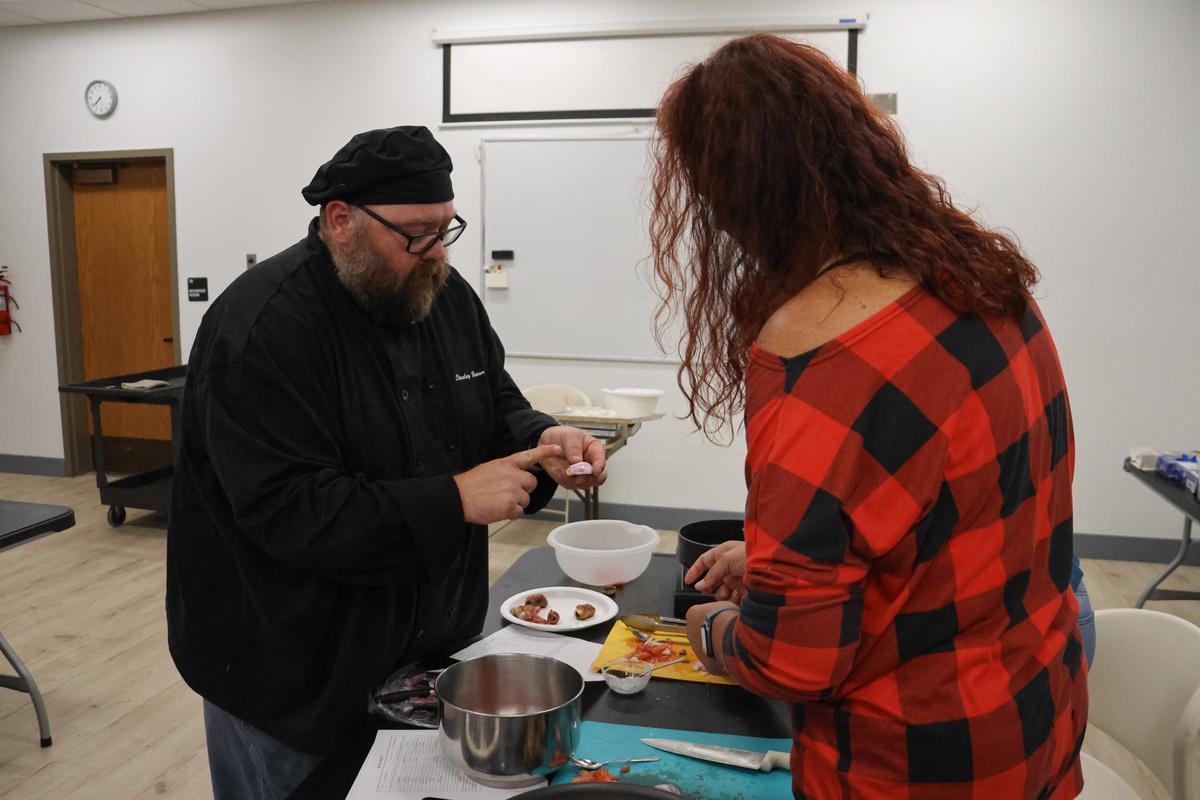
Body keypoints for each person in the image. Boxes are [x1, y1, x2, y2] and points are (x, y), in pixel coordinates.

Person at [653, 36, 1088, 799]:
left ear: (735, 196)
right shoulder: (983, 284)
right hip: (1033, 719)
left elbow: (792, 665)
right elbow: (945, 518)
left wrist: (716, 632)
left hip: (910, 765)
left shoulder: (817, 362)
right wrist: (786, 562)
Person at [166, 125, 607, 800]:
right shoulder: (263, 328)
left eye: (445, 228)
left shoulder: (444, 295)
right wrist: (454, 498)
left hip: (426, 652)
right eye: (414, 234)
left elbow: (494, 404)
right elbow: (289, 510)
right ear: (339, 220)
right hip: (291, 672)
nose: (435, 253)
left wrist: (547, 439)